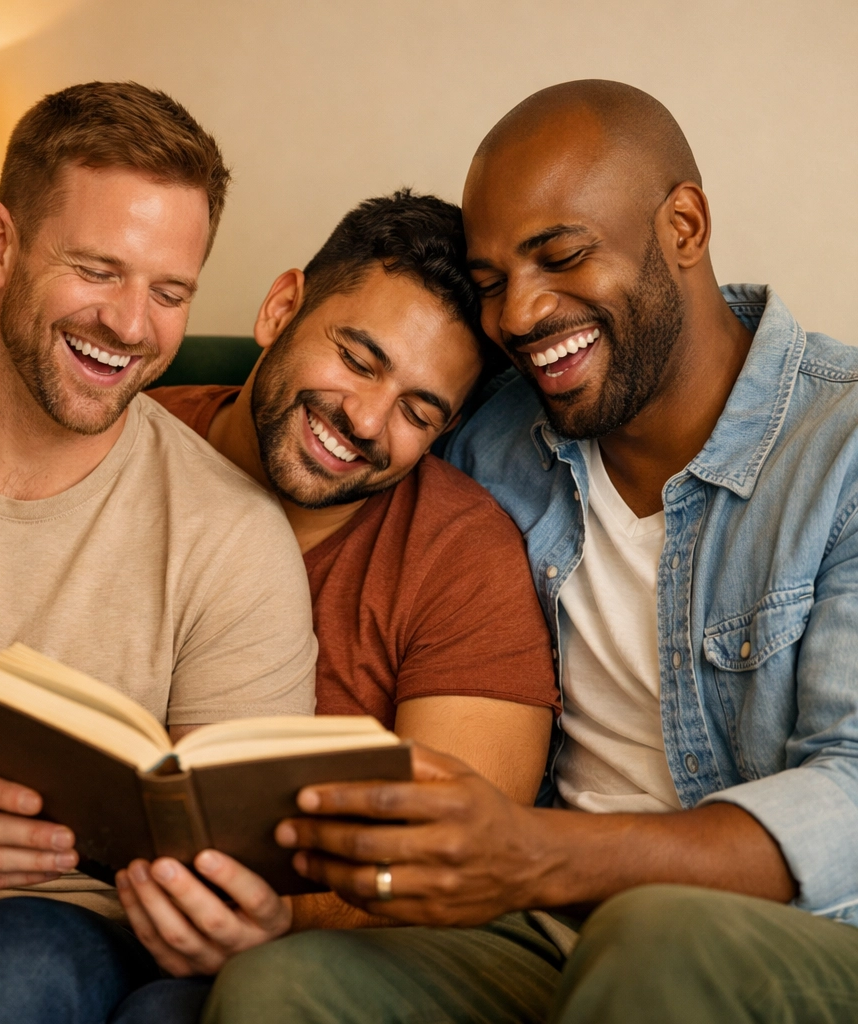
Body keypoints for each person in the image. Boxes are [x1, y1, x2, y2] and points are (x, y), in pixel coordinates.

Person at [202, 80, 858, 1023]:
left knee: (657, 938)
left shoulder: (838, 448)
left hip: (800, 939)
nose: (517, 315)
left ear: (684, 226)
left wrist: (534, 850)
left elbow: (849, 799)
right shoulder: (492, 433)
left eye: (560, 257)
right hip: (540, 926)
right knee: (279, 986)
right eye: (492, 281)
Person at [0, 81, 318, 1024]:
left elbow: (235, 855)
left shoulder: (231, 539)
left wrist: (232, 916)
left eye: (169, 291)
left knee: (15, 975)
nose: (132, 325)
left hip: (34, 943)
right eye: (99, 270)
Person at [109, 190, 557, 1004]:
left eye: (419, 412)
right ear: (282, 308)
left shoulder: (461, 557)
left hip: (274, 949)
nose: (363, 419)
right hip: (39, 903)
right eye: (356, 359)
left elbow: (451, 858)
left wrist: (279, 913)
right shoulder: (120, 439)